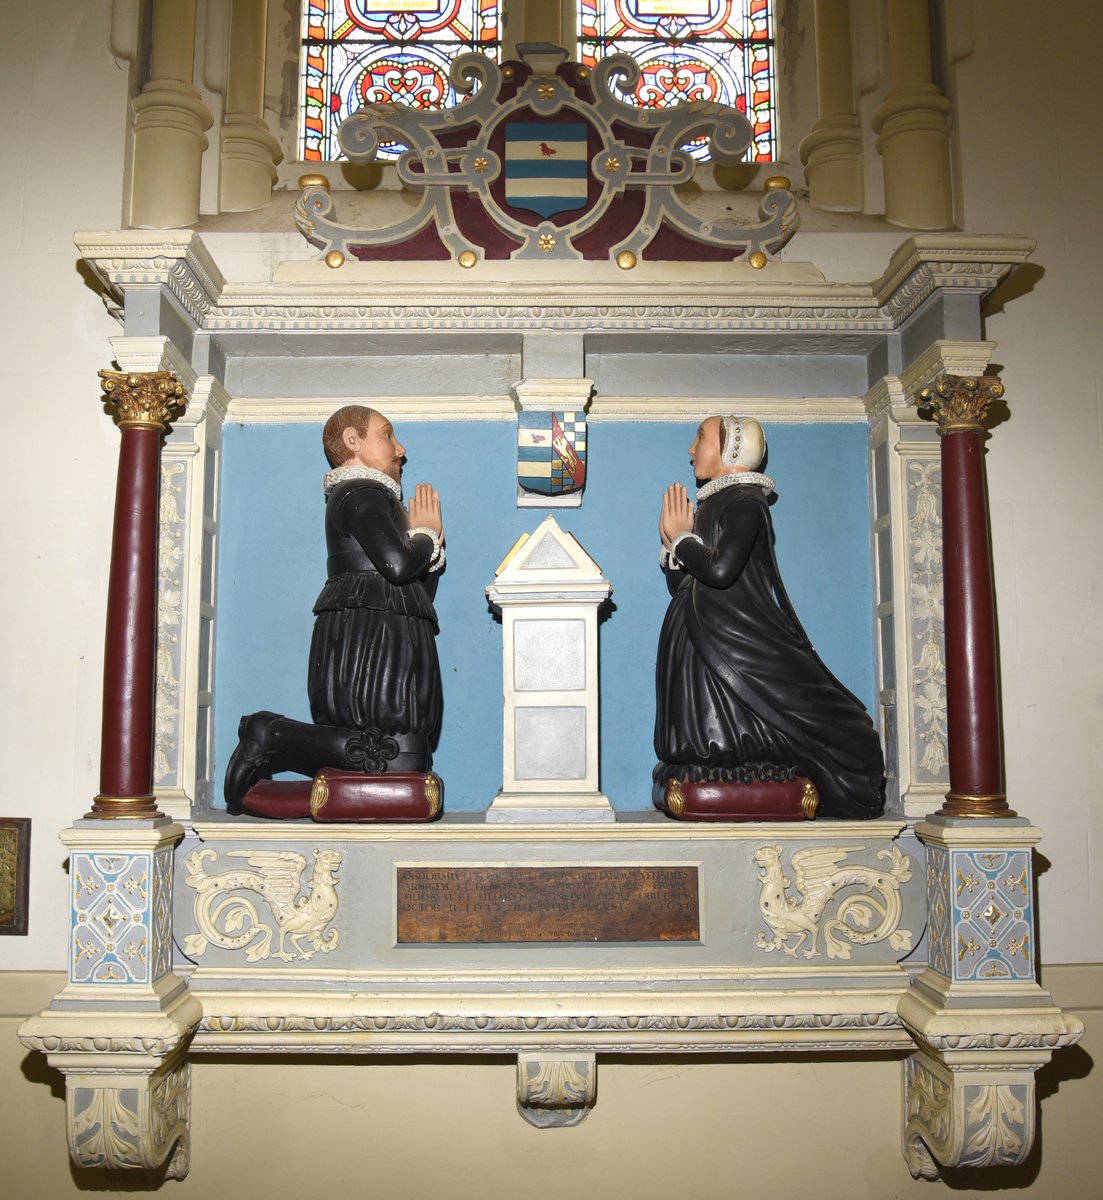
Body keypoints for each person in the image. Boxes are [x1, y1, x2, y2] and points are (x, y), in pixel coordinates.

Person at [654, 415, 885, 819]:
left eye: (700, 439)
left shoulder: (745, 503)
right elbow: (691, 585)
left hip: (739, 638)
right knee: (710, 729)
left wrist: (682, 538)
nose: (691, 450)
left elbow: (721, 571)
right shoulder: (714, 503)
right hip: (707, 637)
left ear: (730, 450)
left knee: (847, 731)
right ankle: (718, 759)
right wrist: (676, 547)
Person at [224, 405, 445, 813]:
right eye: (388, 435)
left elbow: (417, 593)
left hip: (390, 625)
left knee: (405, 755)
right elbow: (398, 566)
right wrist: (426, 538)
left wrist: (429, 550)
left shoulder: (379, 497)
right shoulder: (360, 492)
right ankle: (270, 733)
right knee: (386, 746)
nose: (401, 448)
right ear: (353, 442)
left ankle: (275, 736)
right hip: (370, 631)